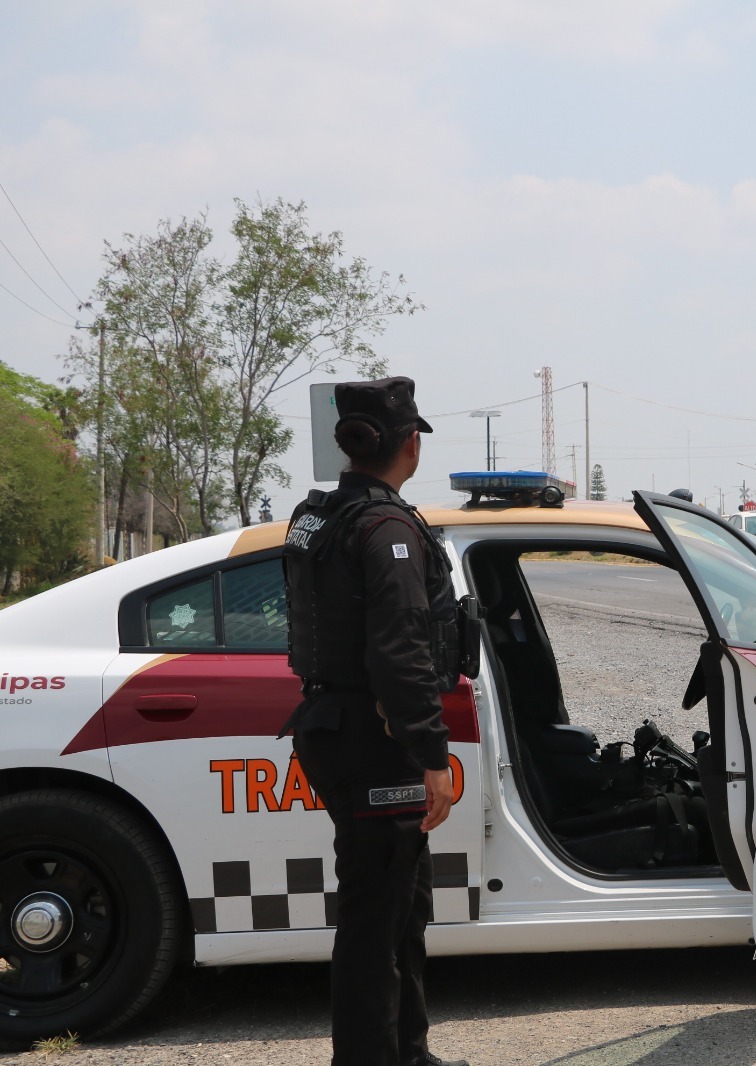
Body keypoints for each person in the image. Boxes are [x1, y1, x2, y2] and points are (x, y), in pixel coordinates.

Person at [281, 377, 469, 1066]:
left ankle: (408, 1054)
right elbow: (399, 652)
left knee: (402, 909)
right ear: (410, 443)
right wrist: (432, 756)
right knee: (375, 922)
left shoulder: (318, 515)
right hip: (374, 740)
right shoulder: (386, 527)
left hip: (337, 723)